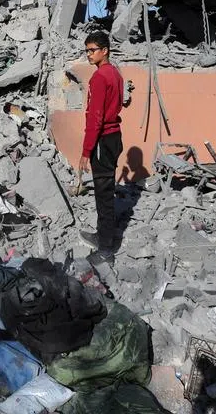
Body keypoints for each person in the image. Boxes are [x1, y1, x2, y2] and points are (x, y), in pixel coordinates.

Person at [77, 31, 125, 265]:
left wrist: (86, 151)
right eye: (86, 50)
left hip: (102, 141)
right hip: (114, 136)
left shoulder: (99, 78)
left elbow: (95, 118)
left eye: (92, 50)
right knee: (104, 190)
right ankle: (102, 235)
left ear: (104, 50)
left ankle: (106, 249)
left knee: (104, 194)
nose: (89, 54)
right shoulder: (115, 73)